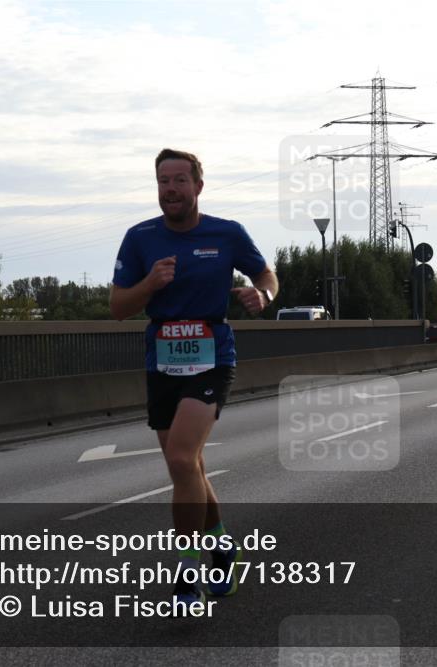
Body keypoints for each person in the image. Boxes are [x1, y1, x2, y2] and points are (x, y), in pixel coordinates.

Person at [110, 148, 279, 609]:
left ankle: (187, 570)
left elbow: (266, 273)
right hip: (162, 359)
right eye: (163, 181)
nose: (171, 189)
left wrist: (261, 293)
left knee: (183, 460)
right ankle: (222, 546)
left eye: (180, 180)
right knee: (191, 468)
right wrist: (150, 285)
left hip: (212, 355)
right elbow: (119, 308)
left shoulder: (226, 233)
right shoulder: (140, 238)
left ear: (198, 187)